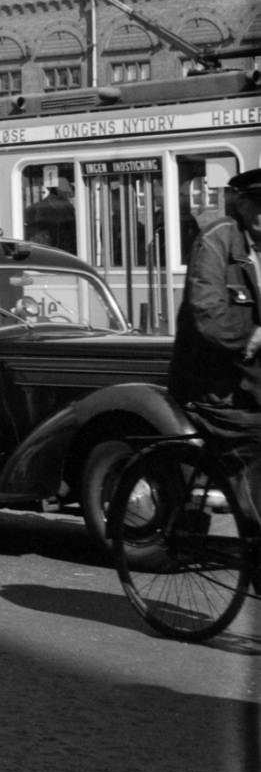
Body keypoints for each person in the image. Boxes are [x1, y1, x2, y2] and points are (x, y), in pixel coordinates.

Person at [168, 168, 261, 513]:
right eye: (257, 202)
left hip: (251, 388)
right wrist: (252, 337)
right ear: (240, 203)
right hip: (215, 391)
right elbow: (208, 317)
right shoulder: (217, 240)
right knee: (256, 445)